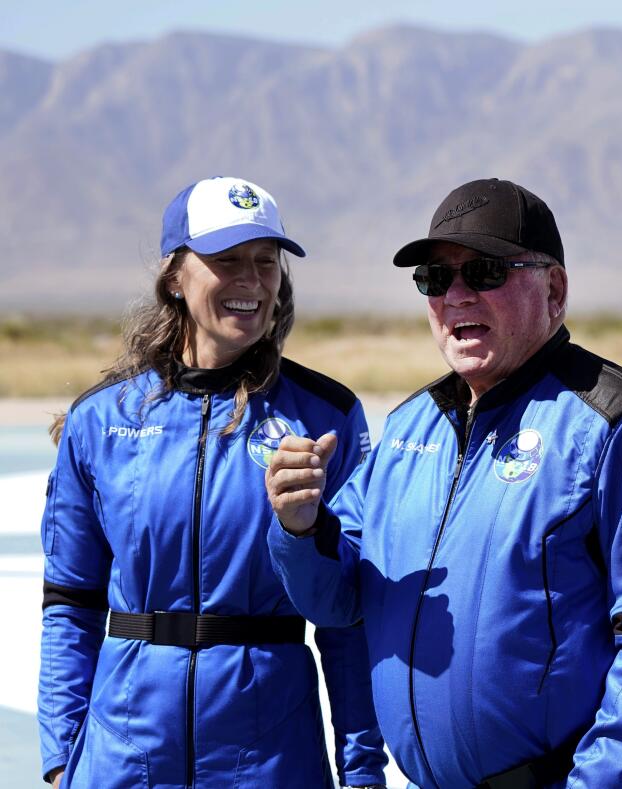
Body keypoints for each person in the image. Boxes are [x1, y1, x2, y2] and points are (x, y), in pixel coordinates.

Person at [265, 178, 622, 787]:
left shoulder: (619, 422)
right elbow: (335, 600)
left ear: (555, 288)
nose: (457, 296)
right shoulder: (413, 426)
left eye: (486, 272)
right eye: (435, 279)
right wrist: (300, 528)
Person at [37, 177, 389, 788]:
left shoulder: (324, 416)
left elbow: (348, 616)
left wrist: (360, 771)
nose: (251, 280)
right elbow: (70, 602)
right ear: (175, 276)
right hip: (122, 761)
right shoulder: (101, 420)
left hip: (270, 763)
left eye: (265, 261)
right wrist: (62, 760)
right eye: (226, 261)